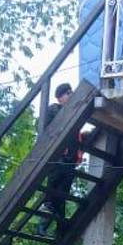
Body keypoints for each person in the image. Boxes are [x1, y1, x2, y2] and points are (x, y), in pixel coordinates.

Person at [40, 83, 79, 233]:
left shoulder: (73, 111)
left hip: (69, 158)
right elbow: (47, 129)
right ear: (60, 96)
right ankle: (45, 224)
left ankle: (55, 226)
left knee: (62, 193)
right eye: (67, 93)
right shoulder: (53, 109)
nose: (70, 95)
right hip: (57, 156)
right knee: (53, 191)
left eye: (71, 93)